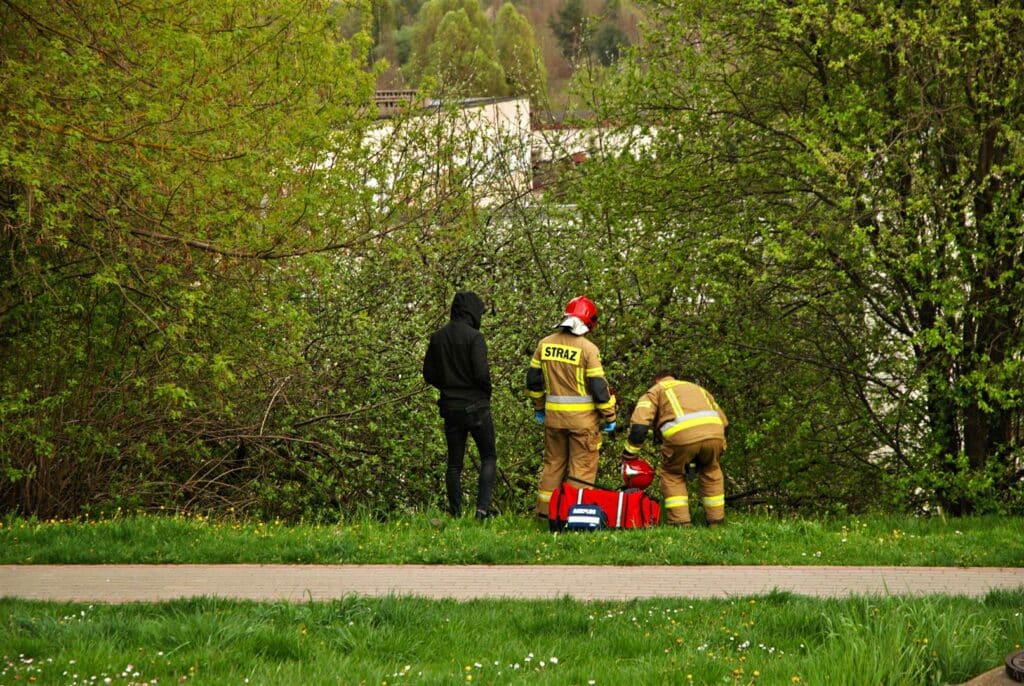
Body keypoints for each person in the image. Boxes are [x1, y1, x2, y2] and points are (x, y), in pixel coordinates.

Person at [526, 296, 617, 517]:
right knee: (581, 470)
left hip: (553, 420)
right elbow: (599, 388)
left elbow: (532, 381)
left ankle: (545, 514)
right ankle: (575, 516)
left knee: (553, 465)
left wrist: (539, 408)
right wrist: (610, 416)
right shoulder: (588, 349)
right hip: (583, 423)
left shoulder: (544, 344)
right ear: (588, 322)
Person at [422, 291, 498, 520]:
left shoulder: (437, 337)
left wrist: (448, 386)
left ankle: (455, 513)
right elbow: (481, 373)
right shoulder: (475, 337)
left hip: (450, 407)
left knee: (454, 464)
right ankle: (481, 510)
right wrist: (485, 393)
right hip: (476, 406)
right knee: (488, 457)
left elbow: (428, 374)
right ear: (472, 311)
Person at [621, 371, 728, 527]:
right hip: (715, 435)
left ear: (657, 380)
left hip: (682, 437)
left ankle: (681, 523)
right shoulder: (697, 388)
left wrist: (630, 453)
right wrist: (721, 445)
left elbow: (639, 426)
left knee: (672, 474)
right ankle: (716, 523)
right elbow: (725, 423)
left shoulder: (655, 391)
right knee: (711, 471)